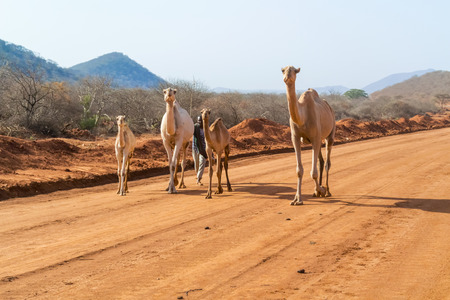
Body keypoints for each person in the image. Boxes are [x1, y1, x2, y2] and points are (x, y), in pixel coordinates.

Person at [192, 115, 208, 185]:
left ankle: (198, 179)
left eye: (200, 121)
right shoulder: (195, 127)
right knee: (197, 164)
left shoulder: (206, 128)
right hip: (195, 148)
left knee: (202, 163)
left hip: (203, 149)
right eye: (198, 121)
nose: (199, 123)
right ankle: (198, 175)